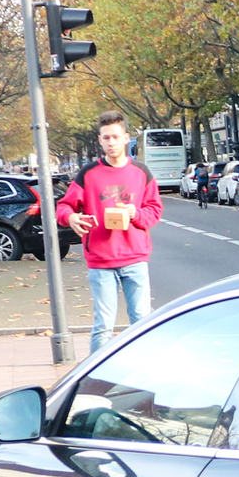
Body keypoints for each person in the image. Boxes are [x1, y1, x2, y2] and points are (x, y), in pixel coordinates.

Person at [55, 110, 161, 354]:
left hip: (135, 258)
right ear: (100, 140)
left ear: (126, 138)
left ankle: (145, 371)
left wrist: (136, 214)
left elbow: (154, 210)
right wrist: (71, 217)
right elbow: (64, 206)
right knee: (103, 325)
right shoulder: (88, 174)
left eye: (115, 137)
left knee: (142, 321)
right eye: (106, 138)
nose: (111, 143)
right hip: (101, 260)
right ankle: (96, 379)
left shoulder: (141, 172)